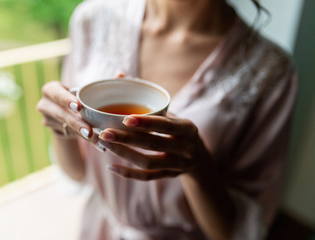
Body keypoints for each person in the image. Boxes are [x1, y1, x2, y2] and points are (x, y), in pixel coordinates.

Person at [37, 0, 298, 239]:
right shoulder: (93, 19)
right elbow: (78, 173)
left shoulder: (271, 72)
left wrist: (198, 167)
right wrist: (61, 126)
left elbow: (236, 233)